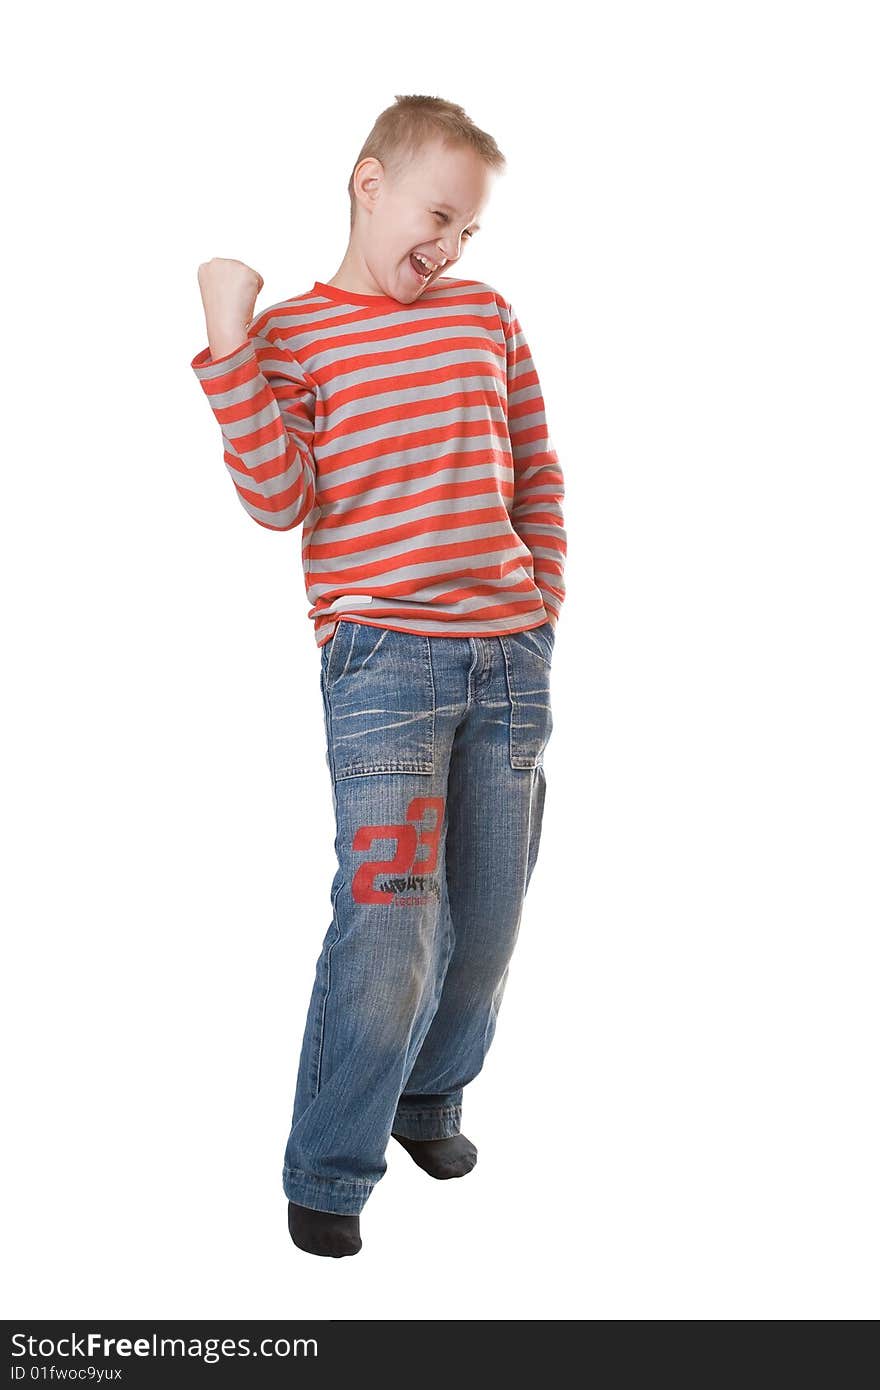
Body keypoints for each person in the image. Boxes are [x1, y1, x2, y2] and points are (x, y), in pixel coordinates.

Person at [191, 95, 567, 1258]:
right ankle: (329, 1165)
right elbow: (276, 498)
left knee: (491, 918)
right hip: (385, 664)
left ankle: (429, 1096)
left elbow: (536, 468)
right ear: (370, 185)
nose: (449, 245)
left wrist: (539, 604)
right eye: (438, 215)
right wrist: (229, 341)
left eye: (467, 230)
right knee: (392, 920)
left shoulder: (482, 316)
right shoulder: (298, 338)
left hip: (508, 657)